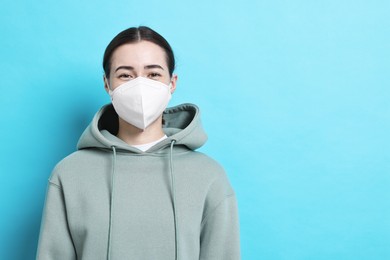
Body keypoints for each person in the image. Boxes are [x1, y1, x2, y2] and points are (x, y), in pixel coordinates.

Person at [36, 26, 240, 260]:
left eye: (153, 74)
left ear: (171, 83)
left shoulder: (209, 176)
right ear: (107, 84)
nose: (140, 86)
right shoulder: (69, 174)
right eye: (126, 75)